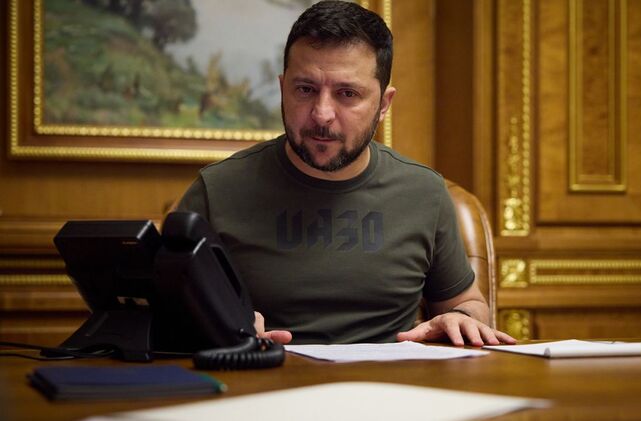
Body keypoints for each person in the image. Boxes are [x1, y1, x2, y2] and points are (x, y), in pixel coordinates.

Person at [176, 0, 515, 347]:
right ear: (282, 89)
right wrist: (217, 324)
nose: (322, 114)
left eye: (347, 94)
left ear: (383, 105)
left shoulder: (424, 192)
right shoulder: (216, 190)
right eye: (305, 89)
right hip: (264, 374)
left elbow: (468, 303)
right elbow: (160, 310)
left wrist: (461, 317)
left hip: (391, 379)